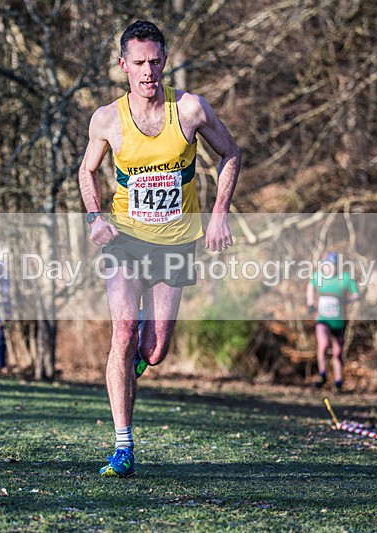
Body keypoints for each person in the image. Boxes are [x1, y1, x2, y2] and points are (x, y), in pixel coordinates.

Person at [78, 20, 240, 477]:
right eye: (139, 63)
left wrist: (219, 213)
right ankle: (123, 445)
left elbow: (231, 153)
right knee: (123, 329)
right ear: (122, 65)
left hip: (176, 243)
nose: (148, 71)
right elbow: (86, 172)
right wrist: (95, 218)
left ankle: (131, 362)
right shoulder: (107, 119)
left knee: (154, 350)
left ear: (164, 62)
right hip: (126, 240)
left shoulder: (189, 110)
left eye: (155, 62)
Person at [306, 251, 359, 392]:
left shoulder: (344, 278)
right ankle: (322, 375)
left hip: (339, 321)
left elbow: (356, 294)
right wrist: (310, 303)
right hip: (322, 319)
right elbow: (310, 286)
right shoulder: (318, 277)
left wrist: (346, 300)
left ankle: (338, 382)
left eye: (333, 265)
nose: (330, 268)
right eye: (327, 265)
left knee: (337, 353)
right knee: (323, 346)